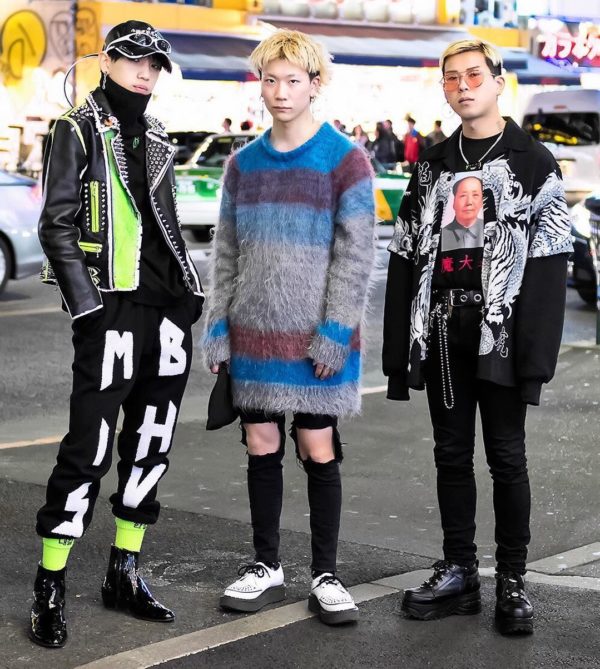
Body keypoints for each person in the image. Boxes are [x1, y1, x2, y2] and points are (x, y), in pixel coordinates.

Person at [383, 39, 572, 636]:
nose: (462, 86)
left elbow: (549, 264)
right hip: (442, 329)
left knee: (507, 457)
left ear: (497, 81)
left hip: (502, 334)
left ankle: (512, 580)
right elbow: (405, 251)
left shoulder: (533, 162)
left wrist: (535, 358)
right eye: (451, 78)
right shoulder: (433, 163)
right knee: (450, 453)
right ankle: (460, 570)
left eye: (472, 75)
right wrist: (399, 347)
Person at [29, 20, 204, 648]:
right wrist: (87, 308)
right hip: (110, 309)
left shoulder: (156, 132)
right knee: (89, 447)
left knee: (151, 443)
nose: (145, 71)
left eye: (155, 63)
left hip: (167, 312)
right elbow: (56, 225)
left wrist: (189, 294)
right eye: (133, 59)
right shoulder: (75, 127)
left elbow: (165, 222)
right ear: (106, 60)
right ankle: (50, 583)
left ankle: (124, 571)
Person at [203, 29, 374, 626]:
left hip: (316, 340)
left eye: (292, 80)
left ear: (314, 85)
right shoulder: (243, 165)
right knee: (260, 444)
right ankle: (266, 565)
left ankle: (326, 574)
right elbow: (225, 253)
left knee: (316, 447)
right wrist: (216, 325)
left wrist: (336, 330)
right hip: (253, 333)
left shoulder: (345, 159)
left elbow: (356, 255)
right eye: (270, 80)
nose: (279, 91)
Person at [441, 175, 484, 251]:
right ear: (454, 202)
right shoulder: (441, 236)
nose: (469, 202)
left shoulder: (490, 231)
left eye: (475, 195)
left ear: (481, 202)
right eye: (463, 196)